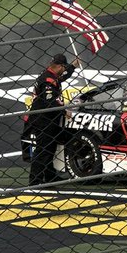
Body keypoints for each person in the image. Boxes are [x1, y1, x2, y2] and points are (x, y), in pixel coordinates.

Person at [24, 53, 81, 185]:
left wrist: (72, 67)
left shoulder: (50, 74)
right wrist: (64, 110)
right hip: (42, 119)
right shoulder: (48, 81)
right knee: (42, 149)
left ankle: (50, 176)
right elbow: (50, 101)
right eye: (64, 67)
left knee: (50, 148)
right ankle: (35, 181)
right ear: (60, 66)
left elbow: (63, 76)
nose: (64, 69)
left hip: (48, 118)